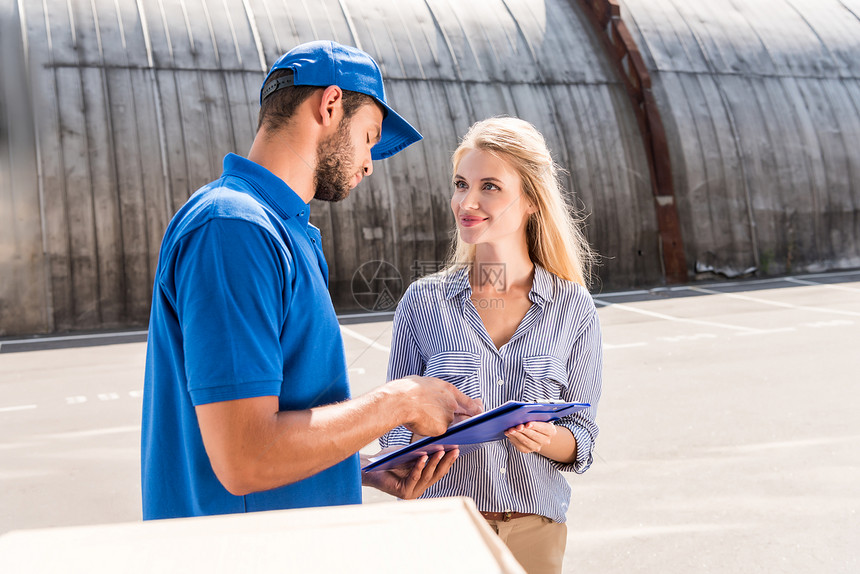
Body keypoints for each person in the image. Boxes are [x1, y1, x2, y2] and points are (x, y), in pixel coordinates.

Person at [140, 40, 481, 521]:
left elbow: (276, 425)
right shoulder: (234, 229)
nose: (369, 163)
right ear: (330, 105)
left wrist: (354, 464)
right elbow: (246, 456)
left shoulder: (281, 231)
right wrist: (402, 400)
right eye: (369, 137)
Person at [380, 117, 602, 574]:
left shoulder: (572, 306)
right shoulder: (424, 301)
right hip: (444, 529)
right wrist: (414, 443)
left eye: (490, 187)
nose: (468, 201)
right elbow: (394, 432)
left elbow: (582, 439)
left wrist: (545, 439)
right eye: (461, 185)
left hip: (536, 533)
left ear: (531, 201)